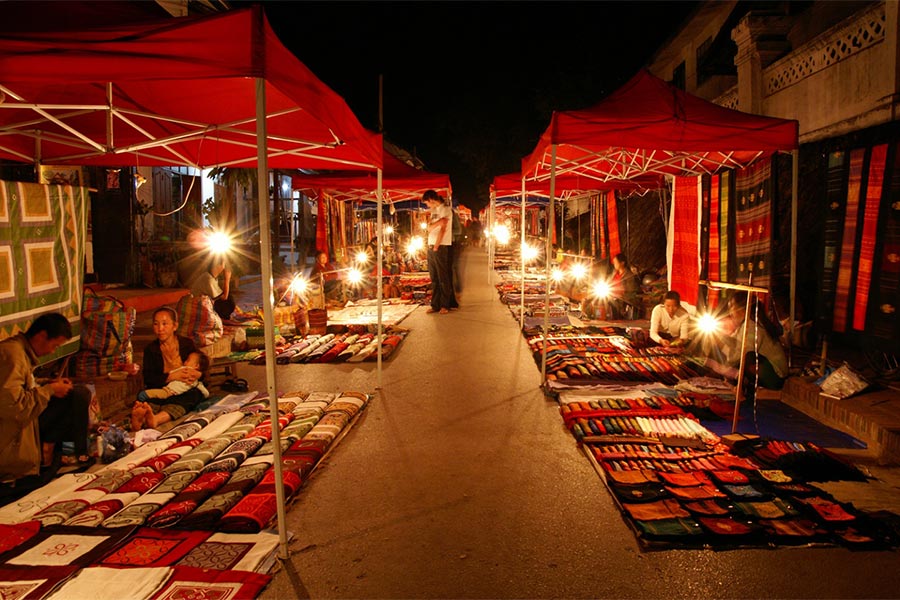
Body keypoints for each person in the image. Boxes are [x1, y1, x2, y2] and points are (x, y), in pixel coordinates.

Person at [0, 313, 91, 495]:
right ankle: (61, 451)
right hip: (11, 432)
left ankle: (69, 451)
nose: (52, 351)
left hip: (25, 415)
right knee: (77, 397)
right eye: (54, 345)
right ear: (41, 336)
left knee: (78, 394)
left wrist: (48, 385)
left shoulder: (21, 352)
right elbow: (15, 407)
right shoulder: (13, 354)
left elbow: (26, 386)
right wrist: (50, 390)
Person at [131, 307, 209, 431]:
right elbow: (149, 379)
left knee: (194, 394)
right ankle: (141, 418)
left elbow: (203, 369)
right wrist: (172, 376)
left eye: (165, 324)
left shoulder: (186, 344)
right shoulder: (151, 349)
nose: (160, 329)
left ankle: (156, 419)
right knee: (151, 398)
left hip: (183, 392)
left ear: (175, 326)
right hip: (162, 389)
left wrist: (197, 374)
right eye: (156, 324)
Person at [720, 291, 788, 392]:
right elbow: (733, 345)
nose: (730, 312)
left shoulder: (752, 325)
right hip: (769, 374)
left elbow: (742, 353)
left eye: (731, 307)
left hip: (775, 377)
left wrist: (724, 367)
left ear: (742, 308)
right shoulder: (744, 326)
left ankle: (746, 388)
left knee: (748, 357)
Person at [422, 189, 456, 314]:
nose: (427, 206)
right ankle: (435, 304)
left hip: (440, 246)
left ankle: (445, 305)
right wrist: (436, 224)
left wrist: (436, 246)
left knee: (443, 277)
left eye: (427, 203)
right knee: (434, 277)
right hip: (431, 245)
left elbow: (443, 229)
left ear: (431, 200)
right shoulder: (434, 211)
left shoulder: (446, 210)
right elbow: (430, 227)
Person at [609, 253, 640, 319]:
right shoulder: (614, 273)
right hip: (611, 295)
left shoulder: (628, 275)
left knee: (614, 302)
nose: (614, 264)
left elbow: (630, 290)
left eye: (616, 262)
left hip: (622, 298)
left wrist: (620, 294)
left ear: (622, 263)